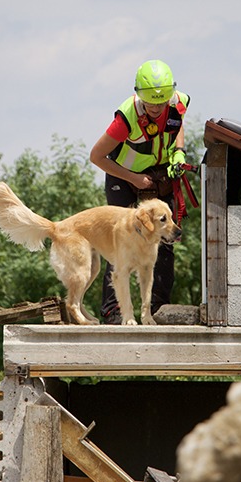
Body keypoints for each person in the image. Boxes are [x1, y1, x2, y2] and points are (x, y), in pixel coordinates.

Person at [89, 59, 190, 324]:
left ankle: (156, 309)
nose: (157, 109)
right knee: (120, 241)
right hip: (123, 175)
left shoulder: (175, 102)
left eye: (162, 103)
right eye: (151, 104)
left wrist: (178, 152)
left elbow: (177, 123)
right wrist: (133, 178)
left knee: (165, 240)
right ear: (140, 96)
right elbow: (97, 157)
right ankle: (113, 313)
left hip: (158, 175)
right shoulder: (126, 118)